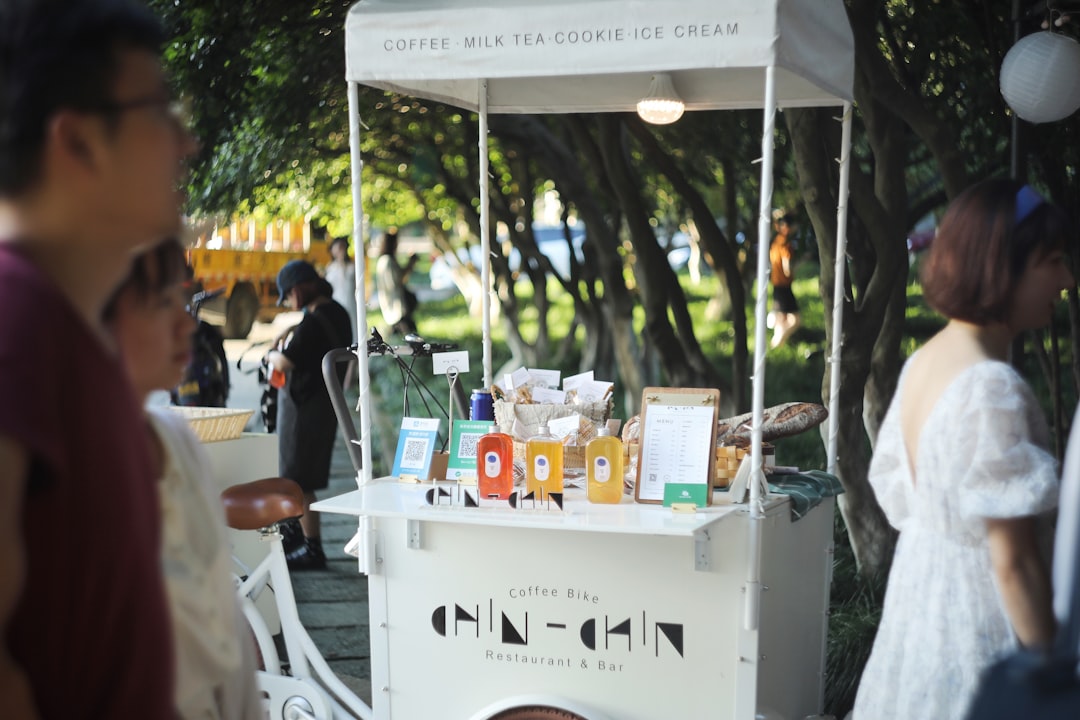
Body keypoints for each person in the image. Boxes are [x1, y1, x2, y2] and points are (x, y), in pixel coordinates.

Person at [0, 2, 197, 717]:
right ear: (78, 141)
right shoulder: (14, 320)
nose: (188, 142)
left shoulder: (68, 333)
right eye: (160, 112)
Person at [852, 179, 1073, 720]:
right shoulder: (990, 385)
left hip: (921, 603)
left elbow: (905, 500)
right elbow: (1013, 561)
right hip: (979, 617)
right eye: (1054, 262)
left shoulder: (925, 360)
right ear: (1005, 266)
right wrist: (1052, 676)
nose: (1066, 280)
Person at [104, 238, 261, 720]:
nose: (184, 324)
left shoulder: (179, 444)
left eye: (181, 302)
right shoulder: (59, 465)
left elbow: (224, 627)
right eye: (159, 306)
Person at [266, 259, 353, 570]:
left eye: (288, 296)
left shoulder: (315, 322)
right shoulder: (334, 312)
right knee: (301, 476)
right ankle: (301, 538)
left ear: (298, 290)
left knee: (298, 478)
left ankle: (311, 547)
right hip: (323, 402)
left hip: (307, 408)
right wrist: (292, 326)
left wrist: (272, 353)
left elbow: (285, 362)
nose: (289, 302)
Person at [325, 235, 358, 387]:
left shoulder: (352, 268)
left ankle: (348, 381)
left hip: (350, 306)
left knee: (354, 341)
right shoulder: (329, 269)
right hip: (336, 307)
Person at [375, 228, 420, 336]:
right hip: (397, 307)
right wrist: (410, 264)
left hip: (394, 308)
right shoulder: (388, 261)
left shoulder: (384, 261)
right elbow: (397, 281)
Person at [768, 212, 801, 348]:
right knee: (795, 319)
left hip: (776, 285)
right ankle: (775, 345)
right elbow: (787, 268)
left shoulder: (775, 243)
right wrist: (800, 263)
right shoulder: (785, 245)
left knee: (782, 319)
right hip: (784, 286)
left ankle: (777, 348)